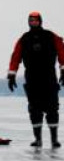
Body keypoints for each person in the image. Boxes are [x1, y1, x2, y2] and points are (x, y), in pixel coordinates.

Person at [7, 11, 64, 148]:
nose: (33, 23)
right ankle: (37, 139)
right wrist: (11, 75)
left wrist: (63, 70)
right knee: (34, 109)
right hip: (32, 78)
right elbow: (15, 57)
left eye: (35, 20)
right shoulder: (24, 39)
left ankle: (54, 139)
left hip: (49, 77)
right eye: (30, 20)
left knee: (52, 108)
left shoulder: (51, 36)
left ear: (40, 21)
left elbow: (62, 52)